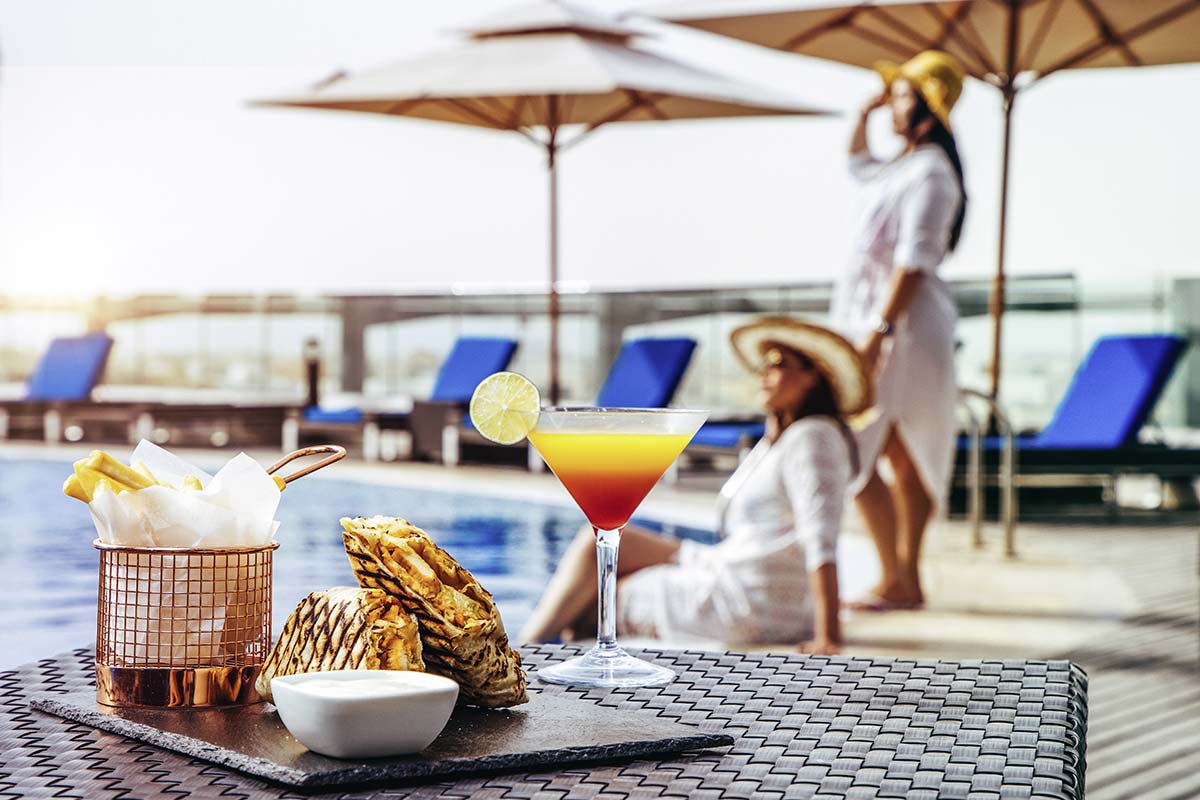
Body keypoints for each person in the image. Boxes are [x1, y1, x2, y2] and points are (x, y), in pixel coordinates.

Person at [519, 317, 872, 654]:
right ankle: (522, 648)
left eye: (778, 363)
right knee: (595, 541)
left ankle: (523, 651)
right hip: (731, 564)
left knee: (592, 606)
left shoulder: (813, 437)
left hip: (753, 599)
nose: (763, 373)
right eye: (762, 364)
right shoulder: (782, 437)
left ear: (812, 376)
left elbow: (820, 535)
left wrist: (828, 635)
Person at [829, 51, 968, 611]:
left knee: (902, 451)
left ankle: (903, 577)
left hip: (904, 328)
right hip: (881, 322)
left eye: (903, 97)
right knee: (879, 449)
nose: (893, 105)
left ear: (929, 111)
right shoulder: (901, 166)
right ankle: (899, 577)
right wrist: (865, 111)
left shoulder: (932, 173)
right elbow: (856, 163)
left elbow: (914, 261)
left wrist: (879, 332)